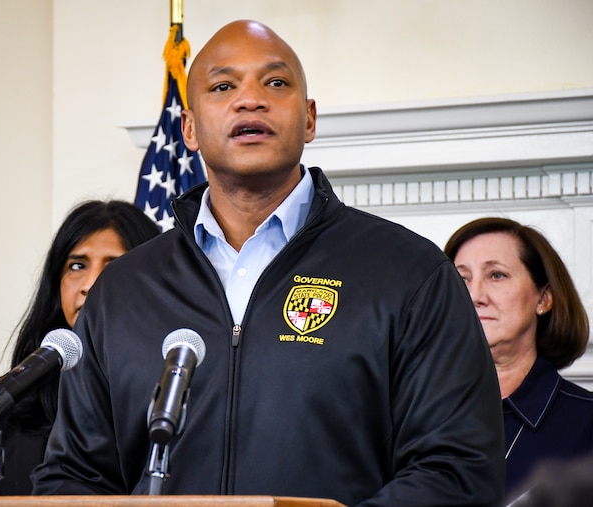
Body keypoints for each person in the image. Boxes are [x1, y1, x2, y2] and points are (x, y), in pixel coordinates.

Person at [31, 20, 505, 506]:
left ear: (309, 119)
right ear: (190, 129)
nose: (250, 99)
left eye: (276, 83)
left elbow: (458, 469)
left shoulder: (409, 272)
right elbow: (74, 475)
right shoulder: (124, 289)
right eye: (223, 86)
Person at [0, 200, 159, 496]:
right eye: (77, 266)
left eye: (114, 266)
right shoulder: (7, 406)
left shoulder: (172, 401)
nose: (90, 284)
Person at [444, 217, 593, 500]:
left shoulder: (587, 424)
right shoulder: (409, 413)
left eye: (496, 275)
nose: (474, 295)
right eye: (461, 278)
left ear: (543, 298)